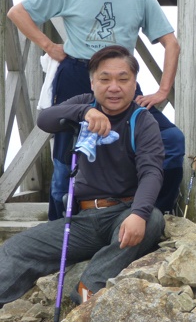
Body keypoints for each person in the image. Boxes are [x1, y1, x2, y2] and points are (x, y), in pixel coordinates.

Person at [7, 0, 184, 219]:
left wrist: (163, 91)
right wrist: (49, 46)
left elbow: (172, 44)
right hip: (76, 75)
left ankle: (156, 215)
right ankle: (59, 225)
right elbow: (17, 12)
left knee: (172, 140)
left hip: (121, 80)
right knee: (65, 157)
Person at [0, 46, 165, 305]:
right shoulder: (84, 104)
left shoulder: (143, 121)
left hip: (123, 212)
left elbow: (151, 172)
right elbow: (45, 120)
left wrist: (139, 214)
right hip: (82, 220)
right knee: (15, 248)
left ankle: (88, 289)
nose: (114, 87)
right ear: (92, 83)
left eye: (123, 79)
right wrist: (83, 112)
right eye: (105, 79)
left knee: (152, 219)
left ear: (135, 85)